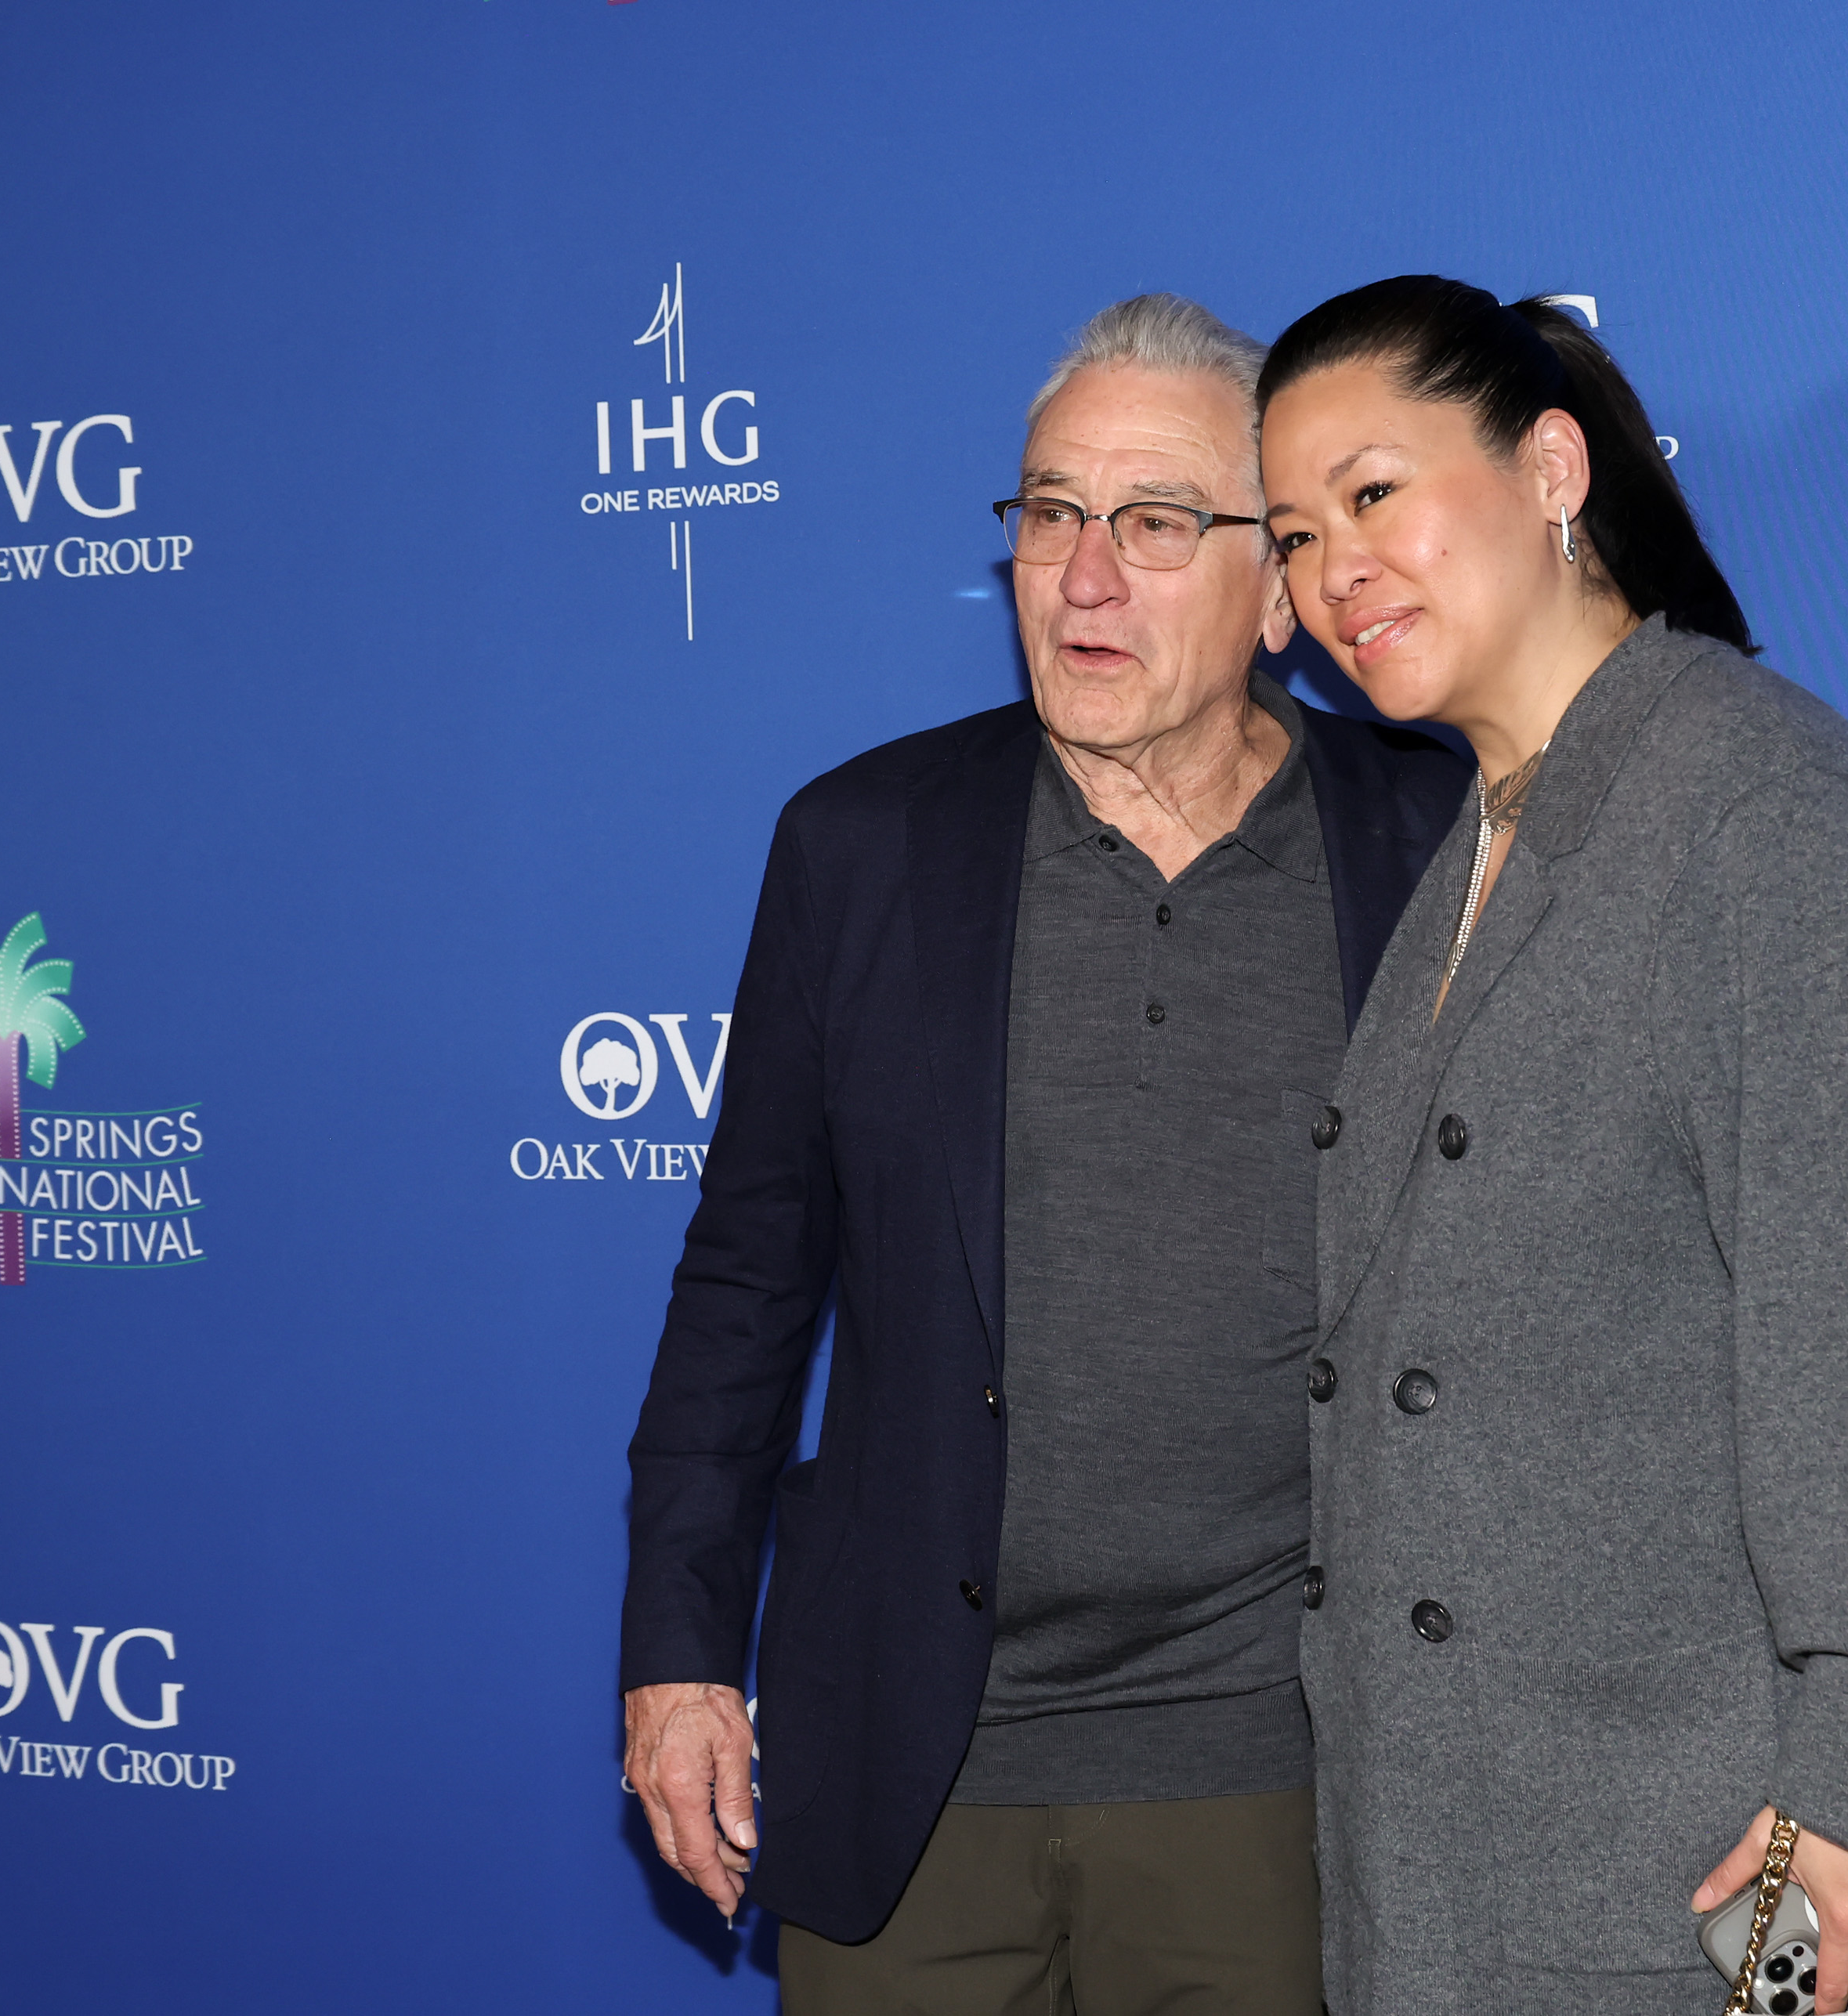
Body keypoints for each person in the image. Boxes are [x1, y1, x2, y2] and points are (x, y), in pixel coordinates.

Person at [618, 292, 1470, 2014]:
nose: (1082, 577)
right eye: (1047, 514)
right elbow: (743, 1285)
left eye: (1154, 524)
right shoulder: (858, 847)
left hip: (1280, 1768)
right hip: (913, 1771)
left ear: (1280, 581)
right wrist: (679, 1658)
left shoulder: (1435, 846)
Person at [1255, 276, 1848, 2015]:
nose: (1331, 576)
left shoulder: (1762, 819)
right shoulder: (1486, 835)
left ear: (1549, 467)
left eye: (1374, 495)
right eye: (1293, 537)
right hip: (1470, 1848)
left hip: (1741, 1876)